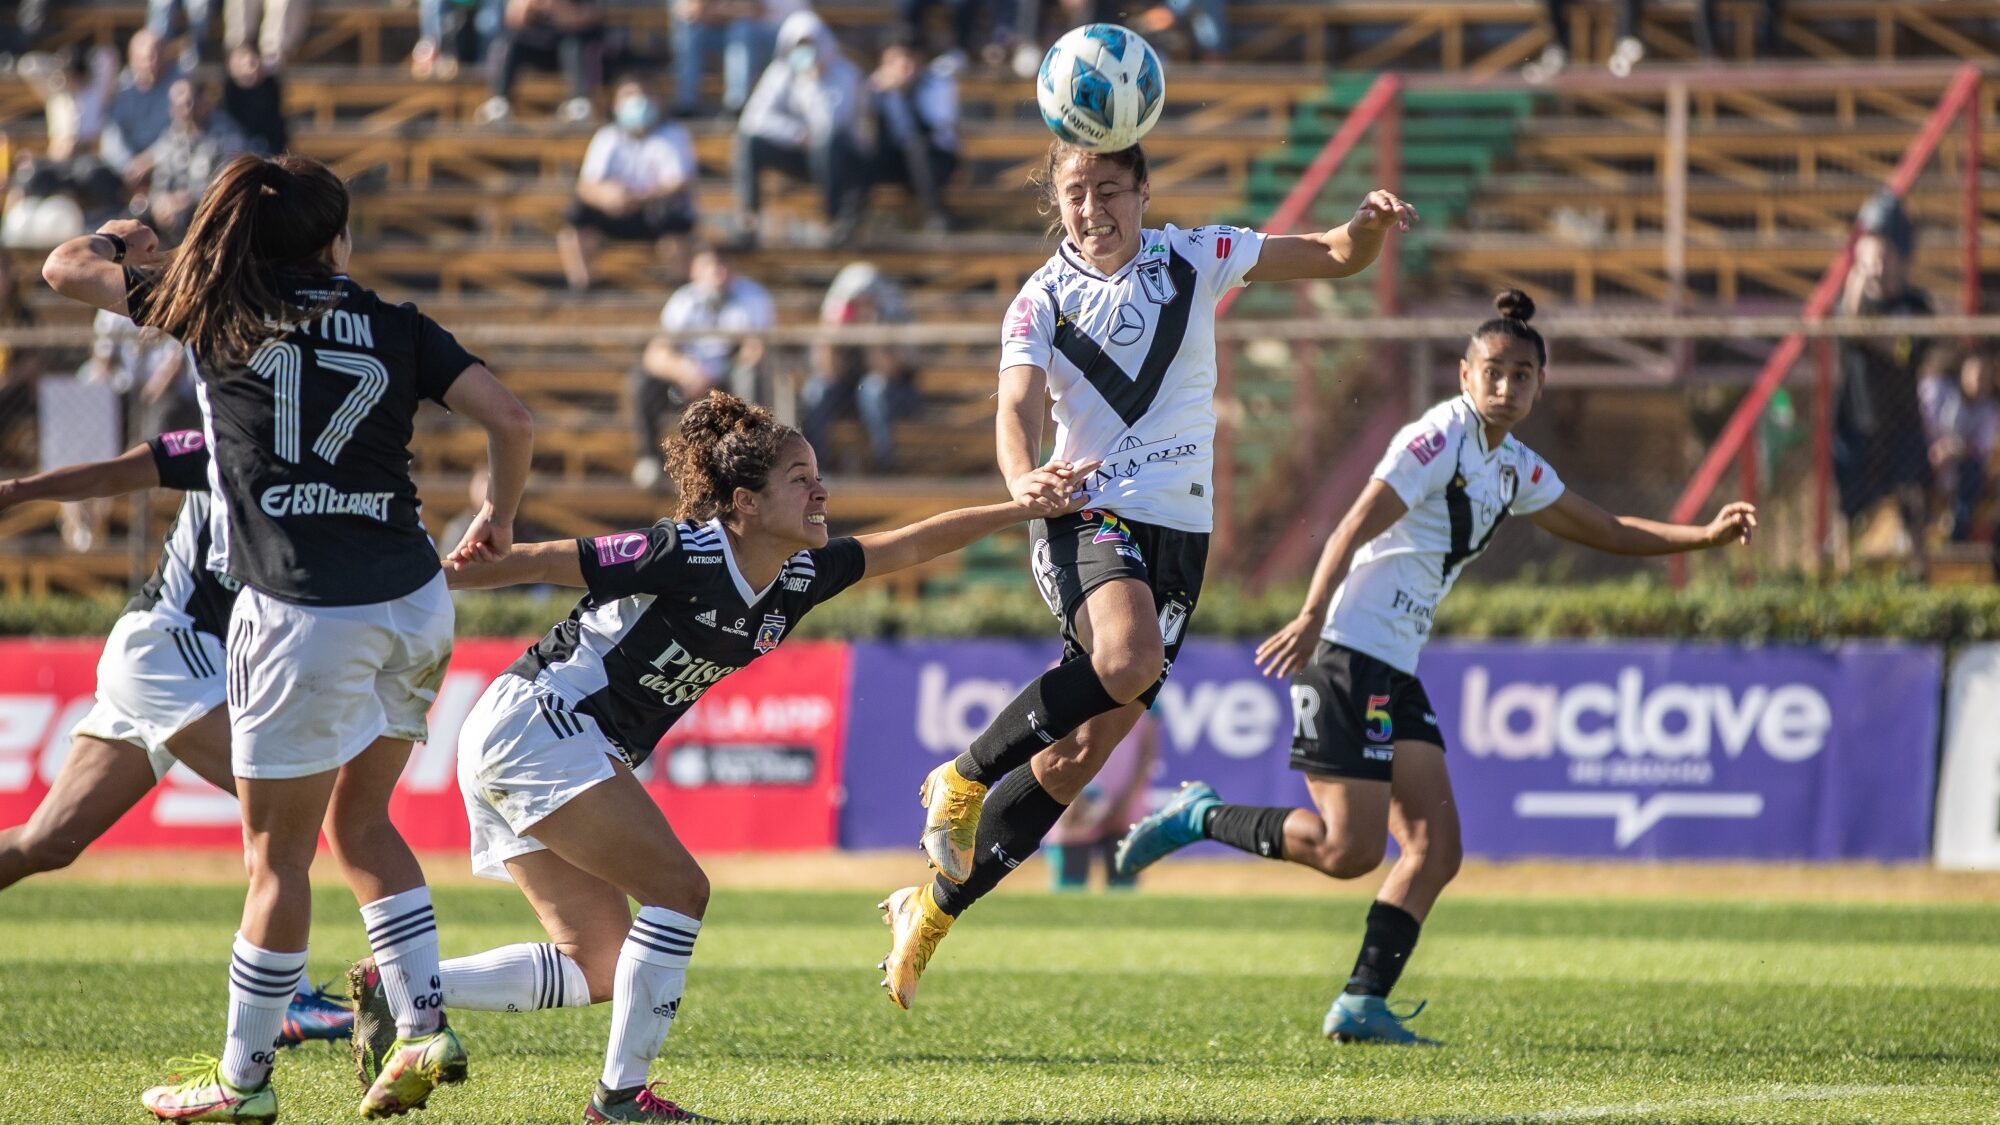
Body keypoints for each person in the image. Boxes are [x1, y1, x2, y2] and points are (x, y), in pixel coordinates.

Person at [342, 391, 1096, 1123]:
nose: (821, 489)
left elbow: (912, 542)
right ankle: (619, 1100)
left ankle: (402, 983)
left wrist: (1023, 507)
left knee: (597, 962)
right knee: (680, 889)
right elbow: (545, 559)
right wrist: (411, 580)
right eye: (801, 478)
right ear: (743, 503)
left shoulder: (800, 573)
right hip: (541, 721)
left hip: (542, 734)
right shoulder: (688, 549)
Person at [1113, 290, 1758, 1044]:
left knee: (1435, 847)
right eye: (1494, 371)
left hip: (1394, 665)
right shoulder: (1436, 440)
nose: (1507, 386)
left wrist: (1702, 537)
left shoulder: (1512, 465)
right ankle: (1200, 813)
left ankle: (1361, 1000)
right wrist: (1313, 615)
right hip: (1349, 653)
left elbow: (1606, 528)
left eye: (1523, 375)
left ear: (1538, 385)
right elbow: (1354, 522)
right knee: (1346, 850)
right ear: (1463, 374)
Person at [41, 151, 535, 1121]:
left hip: (303, 613)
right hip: (416, 601)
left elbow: (61, 269)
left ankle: (243, 1086)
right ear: (335, 237)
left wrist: (120, 241)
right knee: (364, 823)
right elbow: (512, 419)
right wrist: (499, 517)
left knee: (280, 861)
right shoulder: (395, 324)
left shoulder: (207, 304)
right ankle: (425, 1025)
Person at [874, 140, 1416, 1010]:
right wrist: (1021, 478)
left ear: (1144, 191)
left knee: (1080, 754)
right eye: (1076, 194)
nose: (1092, 210)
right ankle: (963, 775)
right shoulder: (1039, 299)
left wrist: (1365, 228)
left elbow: (1329, 255)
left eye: (1109, 190)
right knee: (1124, 660)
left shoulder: (1196, 257)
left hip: (1181, 535)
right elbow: (1014, 408)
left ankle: (929, 910)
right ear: (1058, 202)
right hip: (1084, 514)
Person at [0, 432, 356, 1048]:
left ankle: (284, 993)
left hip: (189, 659)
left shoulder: (322, 453)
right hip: (171, 648)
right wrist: (17, 491)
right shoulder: (238, 428)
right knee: (280, 814)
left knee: (48, 841)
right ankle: (286, 997)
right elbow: (115, 474)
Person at [1833, 193, 1932, 574]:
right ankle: (1845, 573)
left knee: (1913, 496)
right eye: (1870, 256)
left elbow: (1902, 351)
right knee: (1849, 505)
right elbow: (1847, 326)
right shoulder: (1853, 301)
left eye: (1885, 255)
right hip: (1857, 417)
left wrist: (1865, 334)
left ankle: (1919, 570)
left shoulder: (1914, 305)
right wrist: (1857, 283)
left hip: (1902, 418)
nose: (1878, 265)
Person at [632, 247, 775, 484]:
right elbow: (656, 353)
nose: (718, 272)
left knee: (750, 377)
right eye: (710, 265)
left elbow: (755, 349)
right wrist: (687, 371)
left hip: (729, 374)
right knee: (643, 382)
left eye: (724, 264)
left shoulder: (753, 297)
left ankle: (752, 450)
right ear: (695, 270)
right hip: (688, 376)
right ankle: (649, 459)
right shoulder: (683, 300)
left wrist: (712, 374)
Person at [734, 9, 868, 247]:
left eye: (810, 43)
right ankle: (749, 219)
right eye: (799, 45)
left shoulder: (846, 73)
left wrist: (814, 84)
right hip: (800, 152)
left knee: (829, 144)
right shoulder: (782, 72)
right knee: (748, 142)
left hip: (841, 158)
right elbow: (753, 119)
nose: (805, 51)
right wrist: (796, 134)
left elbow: (833, 125)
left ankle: (835, 221)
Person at [558, 78, 698, 292]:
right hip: (613, 211)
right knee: (577, 214)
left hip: (652, 211)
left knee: (676, 215)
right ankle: (584, 284)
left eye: (643, 95)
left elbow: (679, 182)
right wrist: (607, 196)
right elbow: (586, 185)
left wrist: (638, 198)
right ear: (616, 105)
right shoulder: (607, 137)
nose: (637, 101)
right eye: (629, 95)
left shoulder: (673, 134)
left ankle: (678, 284)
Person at [799, 261, 918, 472]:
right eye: (856, 302)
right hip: (848, 396)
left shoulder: (890, 317)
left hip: (893, 397)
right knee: (817, 390)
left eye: (867, 301)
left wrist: (871, 332)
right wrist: (834, 331)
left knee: (872, 389)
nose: (861, 306)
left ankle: (885, 465)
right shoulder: (838, 319)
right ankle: (814, 468)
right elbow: (828, 371)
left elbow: (887, 370)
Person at [1045, 711, 1157, 891]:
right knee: (1069, 888)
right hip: (1077, 802)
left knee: (1123, 888)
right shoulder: (1072, 690)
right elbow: (1056, 742)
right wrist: (1073, 796)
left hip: (1125, 804)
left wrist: (1127, 799)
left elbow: (1147, 751)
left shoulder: (1146, 696)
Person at [129, 78, 251, 242]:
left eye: (190, 102)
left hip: (206, 209)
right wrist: (159, 203)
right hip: (170, 210)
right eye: (180, 106)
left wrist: (184, 200)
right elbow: (160, 175)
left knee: (184, 218)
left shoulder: (226, 135)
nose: (187, 111)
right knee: (136, 219)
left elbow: (227, 182)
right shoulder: (172, 136)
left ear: (203, 101)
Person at [867, 33, 958, 234]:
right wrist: (875, 97)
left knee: (918, 148)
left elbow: (934, 132)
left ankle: (936, 217)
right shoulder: (874, 89)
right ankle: (853, 221)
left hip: (936, 159)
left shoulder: (938, 83)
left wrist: (906, 94)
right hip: (898, 160)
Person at [477, 0, 606, 126]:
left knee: (573, 45)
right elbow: (513, 19)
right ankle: (499, 104)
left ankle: (579, 105)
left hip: (569, 53)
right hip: (535, 49)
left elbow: (590, 17)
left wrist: (558, 7)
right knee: (508, 44)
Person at [100, 30, 181, 176]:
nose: (152, 62)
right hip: (125, 168)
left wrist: (151, 159)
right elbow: (112, 134)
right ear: (133, 59)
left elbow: (181, 131)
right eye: (147, 57)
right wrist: (128, 166)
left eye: (157, 55)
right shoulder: (121, 89)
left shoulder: (180, 87)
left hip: (166, 164)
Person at [223, 44, 289, 156]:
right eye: (248, 64)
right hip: (237, 147)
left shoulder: (270, 86)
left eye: (254, 62)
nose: (253, 68)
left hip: (268, 147)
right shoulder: (230, 90)